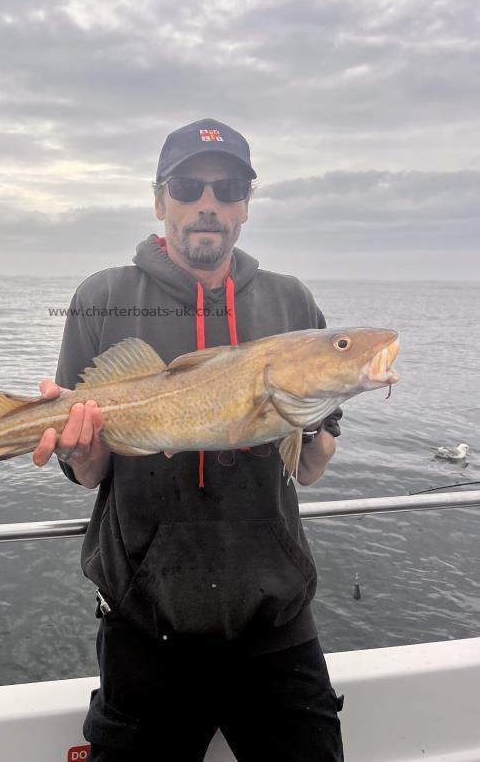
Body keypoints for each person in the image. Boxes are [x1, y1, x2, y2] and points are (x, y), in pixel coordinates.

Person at [32, 118, 345, 761]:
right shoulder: (104, 296)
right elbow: (88, 473)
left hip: (276, 621)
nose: (208, 204)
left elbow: (311, 468)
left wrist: (307, 419)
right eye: (188, 187)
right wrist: (81, 448)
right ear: (159, 200)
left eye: (228, 188)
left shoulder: (292, 305)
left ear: (245, 208)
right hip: (144, 624)